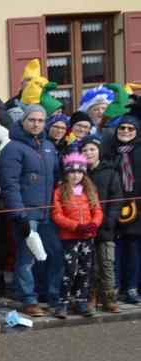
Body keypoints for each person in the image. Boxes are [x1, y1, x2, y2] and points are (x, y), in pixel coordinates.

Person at [0, 104, 62, 316]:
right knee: (27, 258)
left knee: (55, 253)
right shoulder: (12, 148)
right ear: (23, 121)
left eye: (40, 120)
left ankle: (53, 295)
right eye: (32, 120)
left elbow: (56, 179)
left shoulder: (48, 146)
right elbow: (10, 185)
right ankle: (28, 299)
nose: (36, 124)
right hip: (26, 214)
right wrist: (19, 215)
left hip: (48, 213)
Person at [50, 153, 102, 318]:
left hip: (87, 236)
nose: (76, 175)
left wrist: (94, 223)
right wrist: (75, 226)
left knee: (84, 270)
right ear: (66, 173)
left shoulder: (89, 190)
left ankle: (81, 301)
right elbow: (57, 214)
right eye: (72, 172)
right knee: (70, 270)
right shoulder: (60, 191)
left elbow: (97, 210)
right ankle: (63, 303)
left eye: (79, 172)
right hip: (70, 237)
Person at [78, 135, 123, 312]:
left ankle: (109, 296)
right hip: (84, 227)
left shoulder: (110, 173)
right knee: (89, 264)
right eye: (84, 150)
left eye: (92, 149)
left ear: (99, 152)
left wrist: (109, 220)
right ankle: (91, 295)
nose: (88, 153)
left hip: (105, 227)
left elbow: (116, 199)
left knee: (107, 263)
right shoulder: (78, 174)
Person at [102, 113, 141, 303]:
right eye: (122, 128)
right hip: (114, 207)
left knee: (133, 250)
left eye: (130, 128)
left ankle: (132, 287)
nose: (126, 131)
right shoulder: (109, 151)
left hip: (137, 208)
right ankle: (114, 287)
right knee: (114, 251)